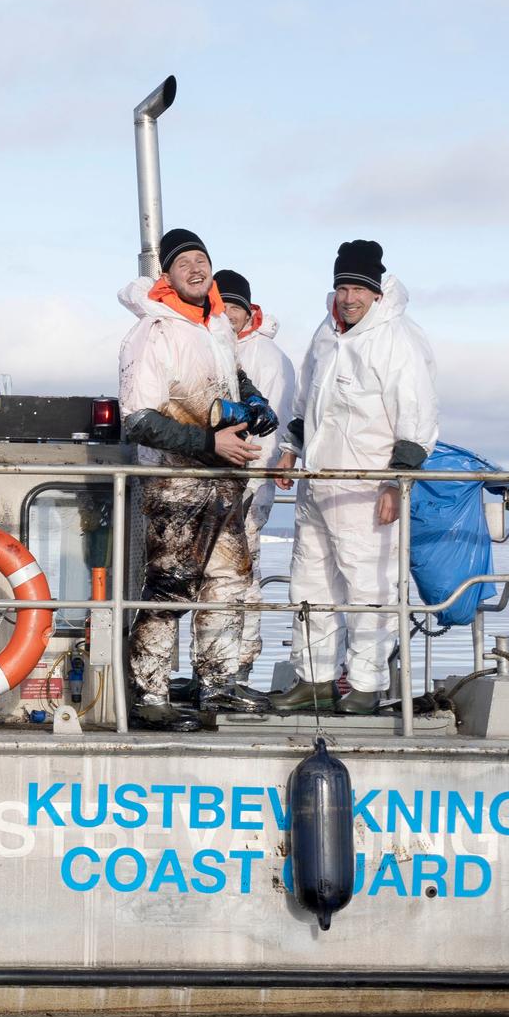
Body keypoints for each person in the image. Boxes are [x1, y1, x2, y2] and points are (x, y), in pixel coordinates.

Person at [114, 228, 266, 728]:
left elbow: (229, 379)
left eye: (202, 260)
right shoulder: (153, 332)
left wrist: (255, 402)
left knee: (229, 583)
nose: (196, 270)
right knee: (170, 588)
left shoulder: (217, 325)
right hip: (175, 486)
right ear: (167, 277)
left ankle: (216, 687)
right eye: (184, 264)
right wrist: (208, 443)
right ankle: (150, 695)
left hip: (225, 481)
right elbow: (139, 419)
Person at [279, 239, 438, 714]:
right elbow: (306, 400)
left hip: (368, 487)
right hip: (317, 481)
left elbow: (417, 417)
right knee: (310, 584)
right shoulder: (325, 334)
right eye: (342, 287)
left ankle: (366, 684)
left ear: (376, 292)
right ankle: (314, 679)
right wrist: (290, 449)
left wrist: (396, 482)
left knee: (370, 585)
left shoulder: (398, 341)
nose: (349, 297)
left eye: (358, 288)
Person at [213, 268, 300, 697]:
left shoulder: (267, 357)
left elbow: (277, 418)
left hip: (247, 478)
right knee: (219, 573)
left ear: (248, 312)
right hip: (215, 476)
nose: (228, 313)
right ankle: (216, 665)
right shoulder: (211, 345)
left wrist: (264, 465)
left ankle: (239, 665)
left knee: (241, 572)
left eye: (235, 307)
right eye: (222, 304)